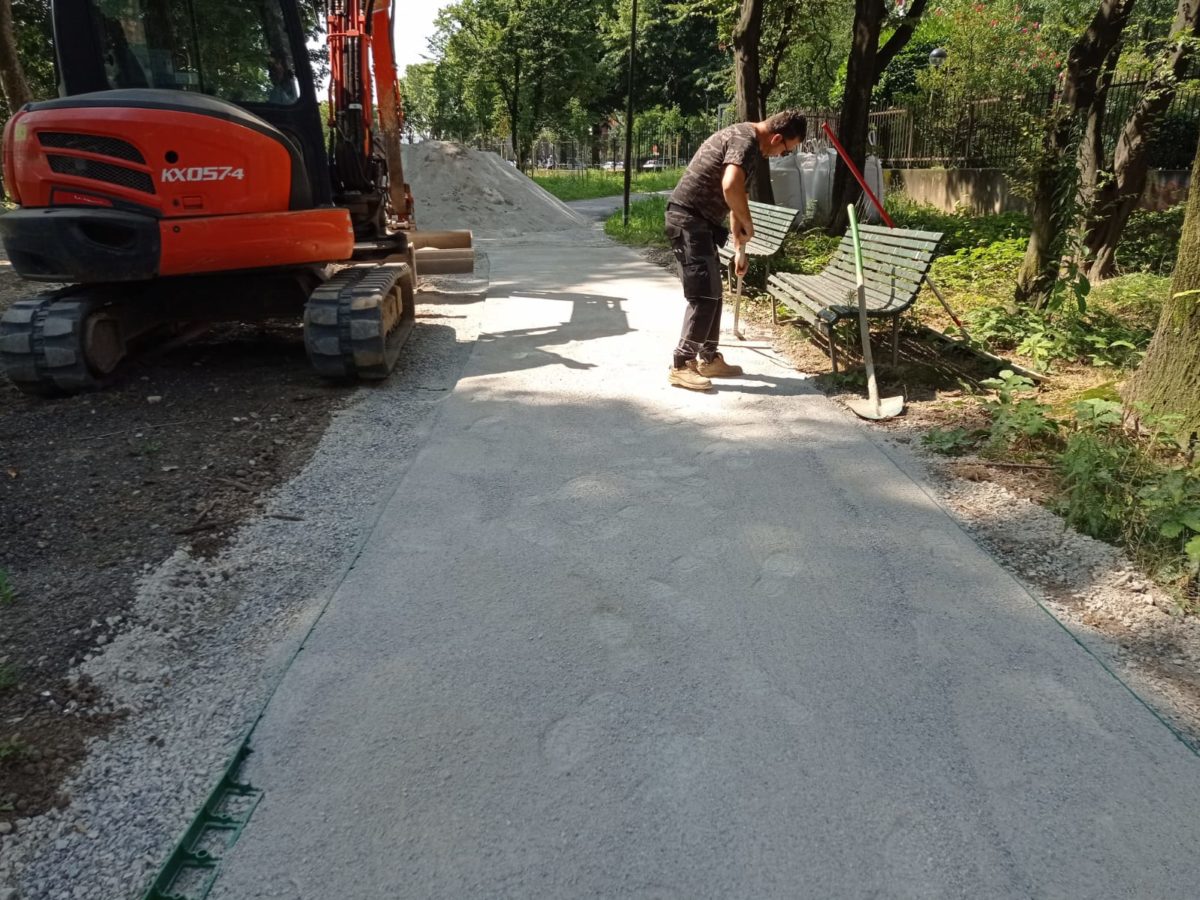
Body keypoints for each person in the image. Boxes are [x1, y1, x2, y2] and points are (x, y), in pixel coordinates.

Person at [664, 110, 808, 391]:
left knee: (714, 292)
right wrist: (748, 223)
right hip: (687, 220)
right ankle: (681, 364)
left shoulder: (751, 147)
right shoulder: (745, 141)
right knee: (703, 295)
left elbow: (736, 197)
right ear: (777, 137)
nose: (780, 156)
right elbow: (729, 186)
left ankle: (708, 358)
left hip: (701, 222)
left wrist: (741, 249)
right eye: (784, 150)